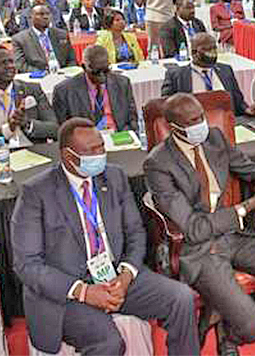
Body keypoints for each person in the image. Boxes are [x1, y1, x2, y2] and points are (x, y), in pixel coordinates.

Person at [144, 94, 255, 355]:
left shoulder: (214, 138)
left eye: (201, 117)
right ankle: (234, 329)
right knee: (252, 327)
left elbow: (250, 169)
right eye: (193, 121)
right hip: (199, 250)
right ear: (174, 128)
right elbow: (193, 228)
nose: (200, 125)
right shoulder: (158, 163)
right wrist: (245, 207)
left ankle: (224, 318)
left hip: (236, 236)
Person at [11, 118, 199, 356]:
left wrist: (126, 275)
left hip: (114, 277)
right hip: (67, 293)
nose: (100, 154)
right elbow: (26, 264)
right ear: (69, 156)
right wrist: (84, 291)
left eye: (101, 146)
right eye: (92, 151)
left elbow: (135, 232)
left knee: (181, 298)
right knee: (109, 343)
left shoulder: (114, 177)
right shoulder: (36, 193)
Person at [161, 33, 255, 117]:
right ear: (194, 52)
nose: (213, 53)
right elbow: (167, 108)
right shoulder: (176, 75)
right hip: (193, 125)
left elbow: (238, 102)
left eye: (214, 48)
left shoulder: (225, 70)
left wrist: (246, 109)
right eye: (207, 49)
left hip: (225, 122)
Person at [52, 45, 139, 132]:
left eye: (106, 71)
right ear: (84, 67)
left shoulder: (122, 83)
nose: (102, 76)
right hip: (86, 140)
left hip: (118, 136)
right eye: (96, 72)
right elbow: (64, 131)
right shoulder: (64, 91)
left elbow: (132, 119)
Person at [12, 5, 77, 73]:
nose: (46, 17)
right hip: (37, 78)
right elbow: (20, 65)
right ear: (31, 17)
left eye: (48, 14)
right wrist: (41, 74)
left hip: (63, 75)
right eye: (41, 14)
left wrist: (68, 72)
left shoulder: (62, 34)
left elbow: (72, 59)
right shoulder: (20, 39)